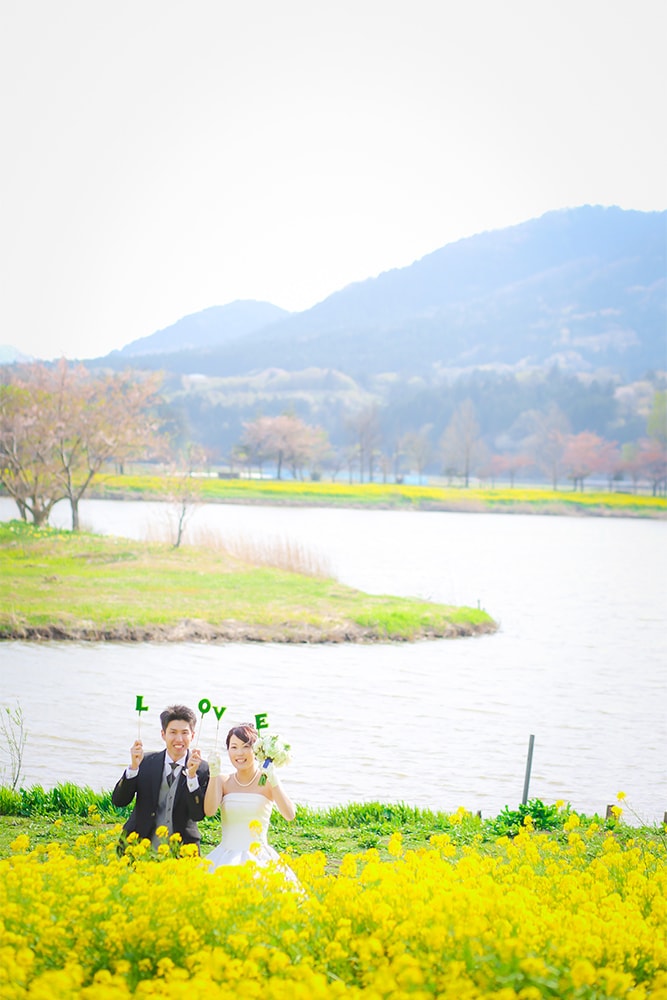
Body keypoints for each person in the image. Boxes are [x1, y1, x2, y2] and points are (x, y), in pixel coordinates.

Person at [112, 704, 210, 853]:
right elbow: (119, 801)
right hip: (138, 844)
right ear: (163, 734)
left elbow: (197, 815)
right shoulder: (144, 761)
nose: (179, 739)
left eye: (185, 733)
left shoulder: (202, 769)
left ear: (193, 736)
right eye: (173, 732)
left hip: (182, 848)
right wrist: (133, 768)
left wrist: (191, 777)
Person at [204, 722, 296, 872]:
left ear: (256, 750)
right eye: (233, 747)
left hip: (259, 858)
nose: (239, 753)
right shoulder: (223, 780)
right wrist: (213, 774)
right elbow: (209, 811)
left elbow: (290, 815)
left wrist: (274, 780)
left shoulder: (267, 780)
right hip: (225, 855)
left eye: (246, 746)